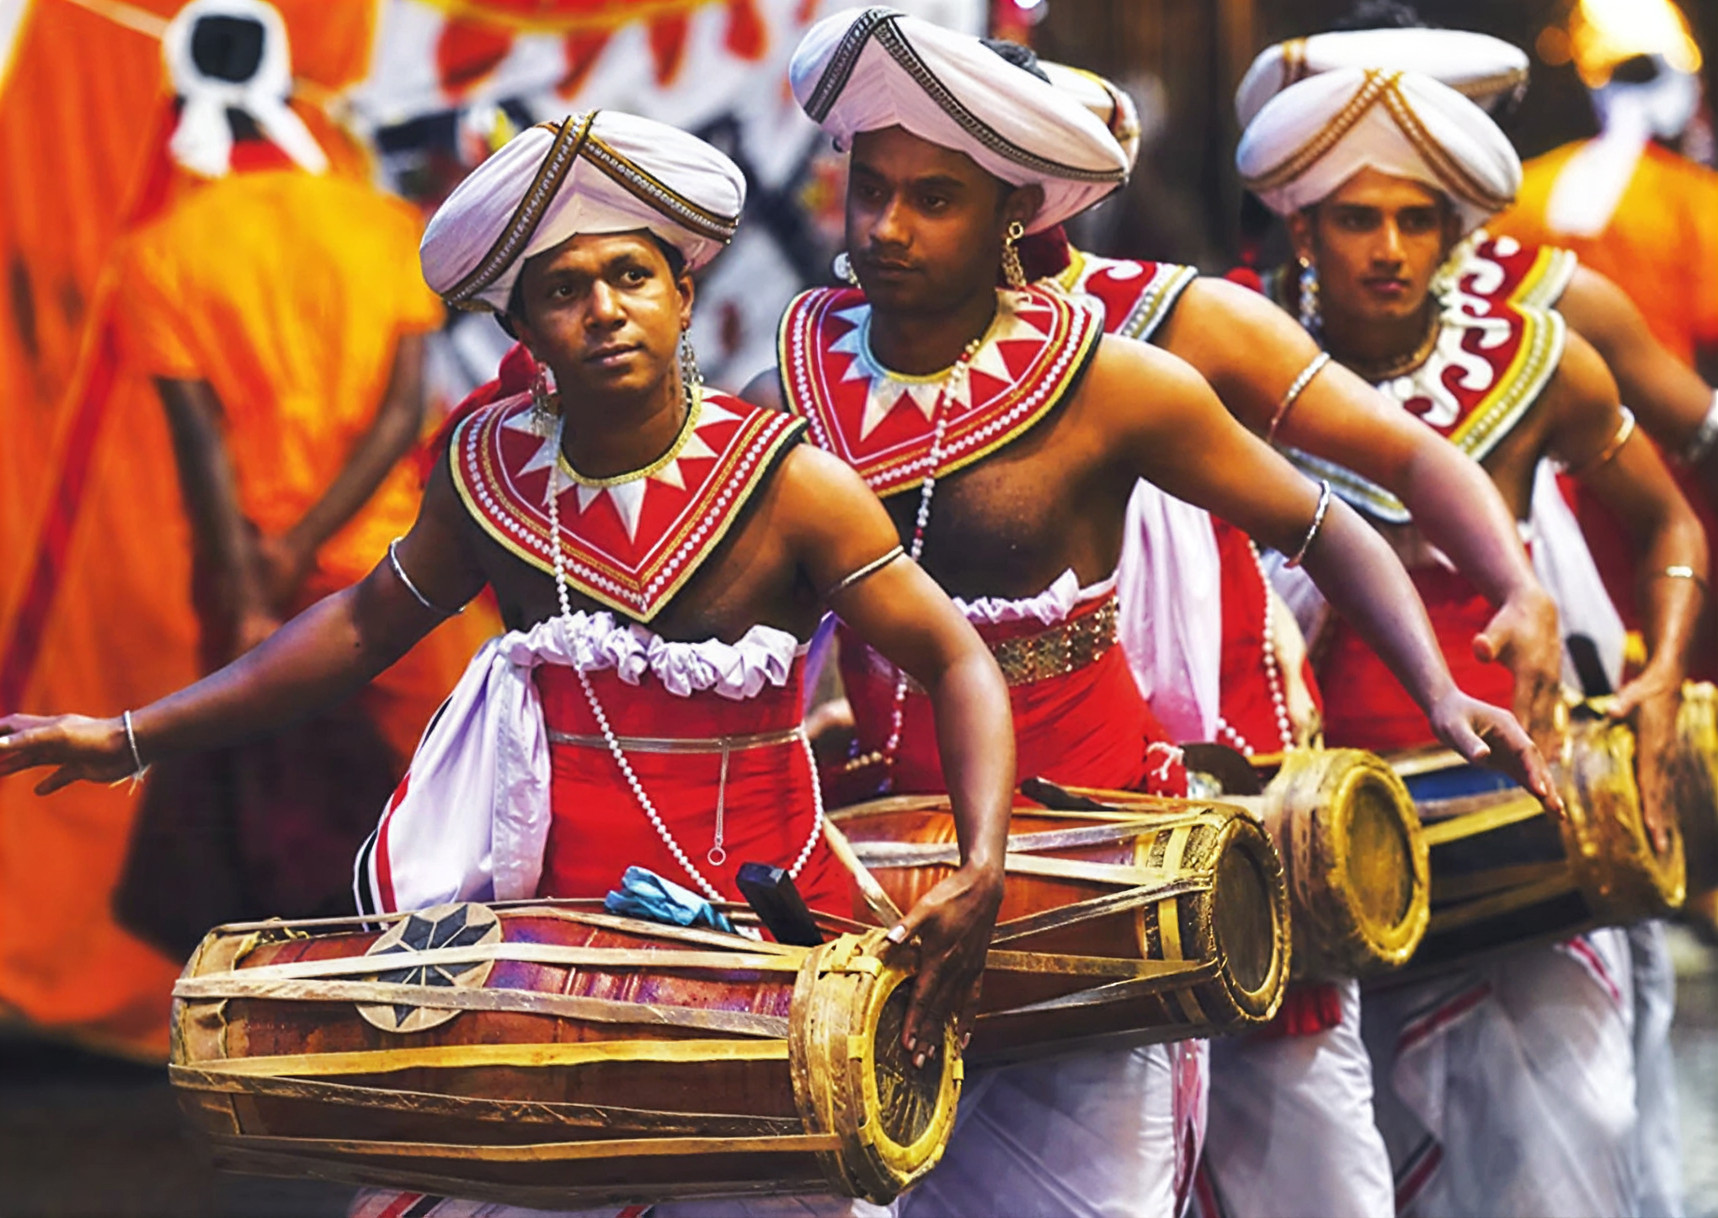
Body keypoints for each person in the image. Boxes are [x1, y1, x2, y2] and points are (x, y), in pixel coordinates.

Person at [0, 110, 1016, 1218]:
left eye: (630, 275)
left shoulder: (790, 483)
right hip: (539, 956)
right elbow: (355, 627)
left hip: (775, 952)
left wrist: (981, 862)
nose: (603, 310)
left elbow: (954, 658)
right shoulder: (488, 471)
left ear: (681, 292)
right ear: (521, 327)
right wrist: (131, 735)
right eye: (563, 290)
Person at [750, 11, 1554, 1215]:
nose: (885, 229)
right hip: (890, 860)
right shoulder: (794, 377)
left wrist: (1456, 674)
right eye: (870, 192)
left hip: (1097, 853)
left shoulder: (1119, 368)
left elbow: (1329, 521)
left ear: (1017, 210)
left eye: (931, 198)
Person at [1039, 54, 1566, 1218]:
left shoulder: (1185, 319)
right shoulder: (855, 355)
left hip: (1217, 743)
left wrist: (1514, 587)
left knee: (1293, 1124)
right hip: (1017, 789)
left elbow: (1404, 460)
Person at [1235, 21, 1715, 1213]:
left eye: (1416, 213)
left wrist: (1656, 673)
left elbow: (1671, 508)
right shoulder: (1231, 358)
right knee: (1351, 1154)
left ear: (1456, 213)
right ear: (1302, 220)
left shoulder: (1539, 338)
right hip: (1318, 822)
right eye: (1357, 214)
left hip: (1518, 804)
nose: (1390, 245)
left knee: (1576, 1122)